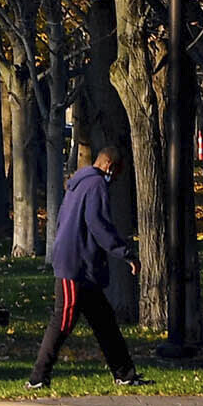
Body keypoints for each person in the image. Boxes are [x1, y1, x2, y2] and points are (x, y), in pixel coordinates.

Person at [28, 143, 143, 390]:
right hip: (75, 264)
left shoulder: (77, 184)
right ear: (109, 166)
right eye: (117, 173)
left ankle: (125, 373)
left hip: (81, 263)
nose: (115, 179)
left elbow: (63, 219)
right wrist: (125, 253)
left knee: (104, 321)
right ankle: (38, 377)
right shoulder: (96, 184)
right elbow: (98, 224)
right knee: (63, 319)